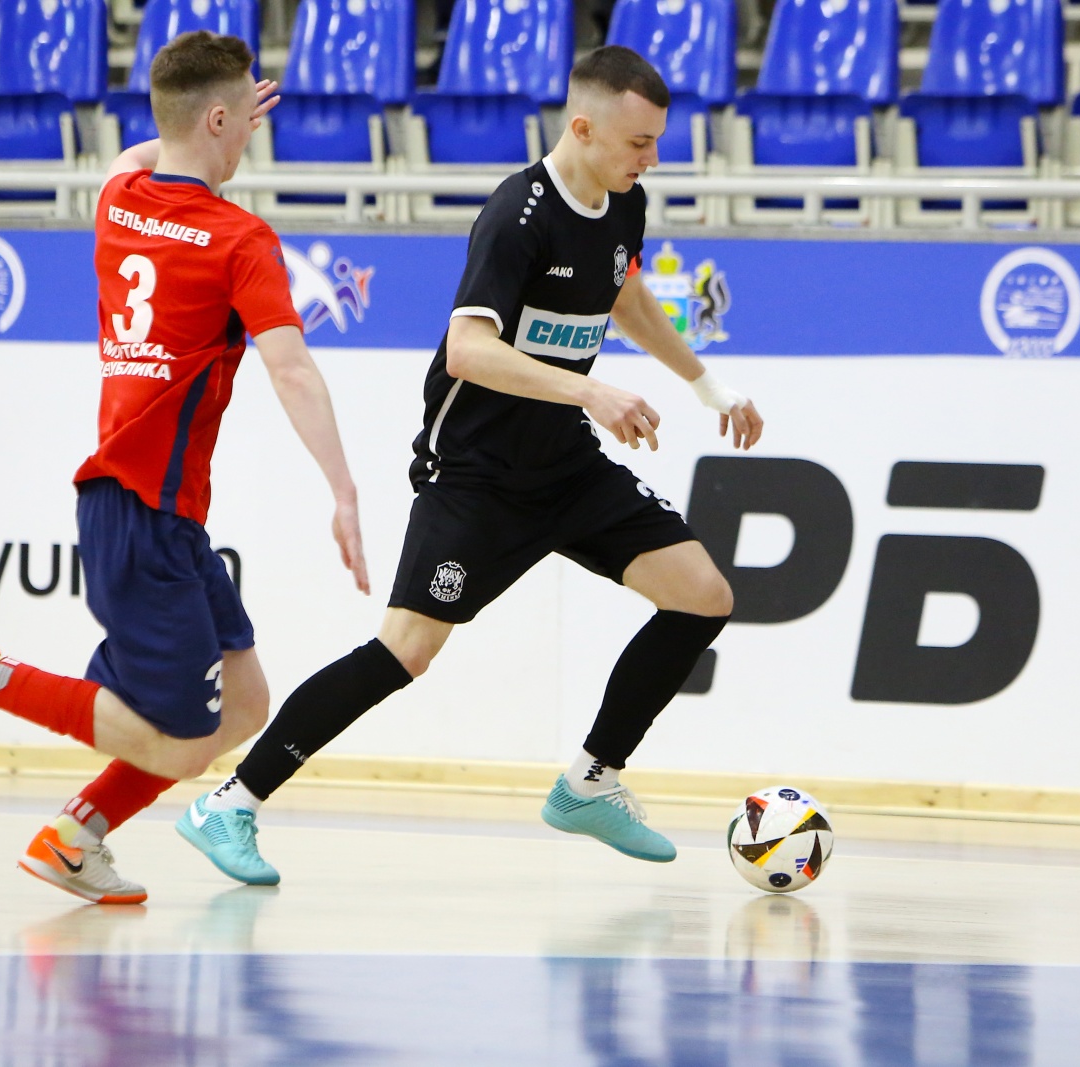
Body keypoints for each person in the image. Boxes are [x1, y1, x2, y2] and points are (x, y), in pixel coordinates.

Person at [176, 44, 764, 885]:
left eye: (657, 141)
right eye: (640, 142)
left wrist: (708, 385)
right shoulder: (518, 214)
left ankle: (590, 781)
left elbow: (623, 291)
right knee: (405, 651)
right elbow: (468, 349)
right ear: (583, 128)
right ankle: (230, 801)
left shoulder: (624, 201)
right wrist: (591, 390)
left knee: (703, 594)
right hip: (477, 475)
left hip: (566, 465)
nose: (654, 158)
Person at [0, 30, 370, 905]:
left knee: (245, 702)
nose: (251, 135)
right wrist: (343, 490)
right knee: (180, 743)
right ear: (219, 119)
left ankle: (72, 839)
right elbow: (293, 369)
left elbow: (140, 150)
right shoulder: (239, 238)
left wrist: (197, 122)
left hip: (160, 513)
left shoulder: (118, 198)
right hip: (142, 511)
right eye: (244, 120)